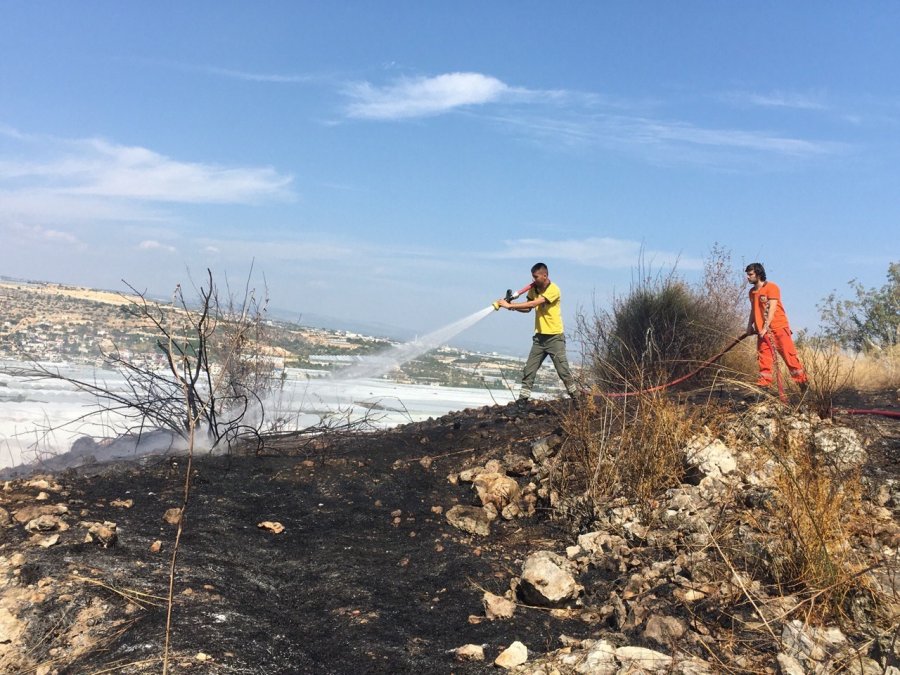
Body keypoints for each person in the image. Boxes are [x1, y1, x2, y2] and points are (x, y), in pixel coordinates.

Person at [497, 262, 580, 405]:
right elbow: (527, 309)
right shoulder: (534, 290)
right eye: (532, 277)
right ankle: (522, 403)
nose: (533, 280)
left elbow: (533, 304)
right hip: (539, 338)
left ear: (544, 275)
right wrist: (511, 307)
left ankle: (577, 399)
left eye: (535, 277)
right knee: (529, 370)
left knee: (563, 371)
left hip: (555, 337)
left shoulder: (554, 289)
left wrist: (510, 305)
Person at [744, 262, 808, 389]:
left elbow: (772, 308)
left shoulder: (772, 287)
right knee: (764, 360)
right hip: (762, 332)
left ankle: (803, 385)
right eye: (747, 274)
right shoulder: (752, 292)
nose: (748, 277)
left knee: (790, 358)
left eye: (750, 274)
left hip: (778, 329)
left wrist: (765, 327)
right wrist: (749, 326)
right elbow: (753, 309)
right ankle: (763, 388)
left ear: (758, 274)